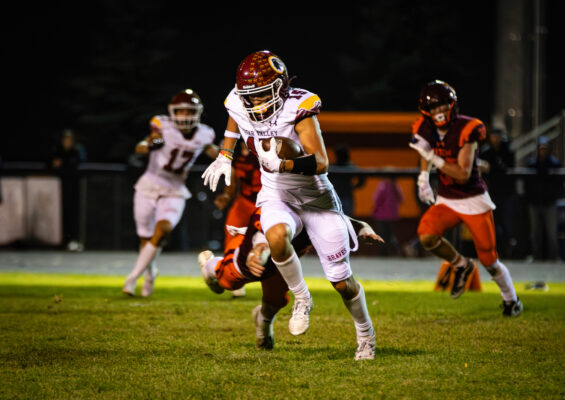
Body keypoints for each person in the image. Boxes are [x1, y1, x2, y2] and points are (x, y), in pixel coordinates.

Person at [202, 50, 377, 360]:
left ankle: (366, 336)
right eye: (250, 96)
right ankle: (302, 298)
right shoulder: (239, 102)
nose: (255, 103)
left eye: (261, 94)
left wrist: (283, 164)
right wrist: (225, 155)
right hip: (276, 195)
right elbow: (234, 118)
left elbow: (321, 162)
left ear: (280, 88)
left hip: (316, 198)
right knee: (277, 235)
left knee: (342, 283)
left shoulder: (299, 107)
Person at [409, 80, 522, 317]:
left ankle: (511, 299)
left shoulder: (468, 128)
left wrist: (434, 159)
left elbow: (462, 174)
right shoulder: (425, 127)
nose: (438, 112)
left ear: (452, 105)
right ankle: (462, 264)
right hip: (448, 199)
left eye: (442, 106)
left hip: (473, 199)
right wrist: (423, 177)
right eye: (433, 108)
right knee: (426, 235)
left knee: (489, 260)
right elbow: (424, 149)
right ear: (426, 111)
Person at [198, 207, 383, 350]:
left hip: (284, 263)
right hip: (255, 255)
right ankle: (210, 266)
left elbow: (350, 222)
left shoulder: (318, 208)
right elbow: (264, 226)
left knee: (276, 300)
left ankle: (263, 326)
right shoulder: (278, 204)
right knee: (228, 281)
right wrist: (259, 249)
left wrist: (365, 230)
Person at [123, 89, 218, 297]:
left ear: (197, 113)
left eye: (189, 111)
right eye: (181, 111)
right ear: (173, 112)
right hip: (149, 184)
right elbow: (143, 145)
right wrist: (147, 145)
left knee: (163, 229)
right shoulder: (162, 126)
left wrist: (224, 156)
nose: (185, 116)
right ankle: (150, 274)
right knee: (146, 238)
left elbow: (216, 152)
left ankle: (132, 278)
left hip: (175, 189)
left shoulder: (205, 134)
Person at [213, 140, 262, 298]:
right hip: (244, 201)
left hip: (265, 203)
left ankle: (272, 283)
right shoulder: (234, 150)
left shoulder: (265, 146)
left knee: (264, 243)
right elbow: (232, 176)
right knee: (231, 237)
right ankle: (233, 280)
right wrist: (227, 196)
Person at [477, 127, 517, 258]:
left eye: (498, 136)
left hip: (506, 192)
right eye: (493, 136)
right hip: (491, 193)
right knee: (492, 223)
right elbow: (480, 171)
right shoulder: (486, 151)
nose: (495, 139)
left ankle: (508, 252)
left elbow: (507, 169)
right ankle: (493, 250)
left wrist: (491, 167)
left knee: (507, 223)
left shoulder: (507, 151)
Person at [524, 135, 563, 261]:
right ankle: (536, 256)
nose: (543, 151)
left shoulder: (554, 164)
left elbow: (559, 184)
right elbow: (527, 184)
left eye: (545, 148)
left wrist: (555, 196)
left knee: (552, 232)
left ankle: (553, 257)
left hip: (549, 202)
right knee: (535, 232)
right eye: (541, 148)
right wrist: (529, 198)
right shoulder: (532, 164)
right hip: (535, 202)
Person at [49, 129, 87, 251]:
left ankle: (74, 240)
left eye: (70, 139)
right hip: (59, 189)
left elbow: (81, 163)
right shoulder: (57, 150)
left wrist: (64, 163)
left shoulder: (77, 150)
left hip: (75, 188)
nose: (67, 142)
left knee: (74, 215)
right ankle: (61, 241)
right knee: (61, 215)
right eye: (65, 139)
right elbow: (50, 163)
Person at [371, 177, 403, 256]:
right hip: (392, 215)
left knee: (382, 234)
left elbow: (377, 198)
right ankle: (393, 250)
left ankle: (383, 252)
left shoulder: (383, 185)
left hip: (381, 214)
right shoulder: (395, 186)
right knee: (390, 234)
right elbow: (401, 198)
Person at [331, 144, 365, 216]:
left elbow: (362, 176)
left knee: (347, 217)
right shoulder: (332, 167)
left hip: (346, 197)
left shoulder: (351, 167)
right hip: (335, 197)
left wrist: (355, 186)